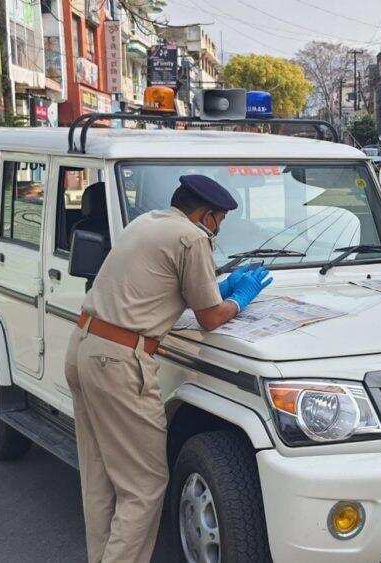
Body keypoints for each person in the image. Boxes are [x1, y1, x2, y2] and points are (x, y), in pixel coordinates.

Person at [64, 174, 271, 563]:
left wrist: (219, 288)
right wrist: (240, 299)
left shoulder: (147, 222)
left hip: (85, 347)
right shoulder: (192, 238)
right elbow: (209, 317)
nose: (219, 229)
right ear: (206, 216)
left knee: (100, 478)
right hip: (120, 362)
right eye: (220, 221)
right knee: (144, 486)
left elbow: (160, 289)